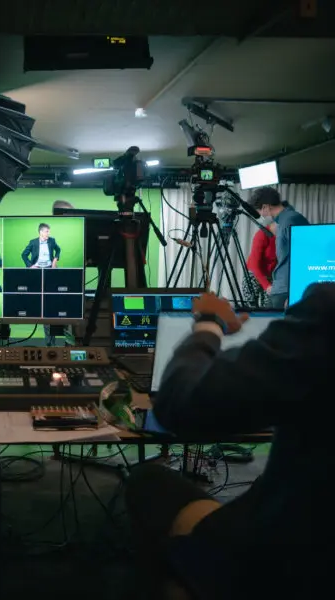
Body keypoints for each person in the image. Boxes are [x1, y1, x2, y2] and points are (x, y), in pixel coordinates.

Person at [126, 287, 330, 600]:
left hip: (290, 560)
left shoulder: (327, 310)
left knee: (148, 482)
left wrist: (209, 323)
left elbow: (183, 404)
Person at [250, 187, 309, 309]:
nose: (261, 216)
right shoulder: (285, 219)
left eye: (260, 211)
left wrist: (294, 294)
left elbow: (305, 256)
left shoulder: (290, 220)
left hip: (286, 289)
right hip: (282, 287)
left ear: (265, 207)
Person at [244, 222, 277, 307]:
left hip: (270, 275)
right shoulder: (262, 235)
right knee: (251, 306)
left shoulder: (283, 236)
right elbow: (254, 266)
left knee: (268, 307)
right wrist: (266, 286)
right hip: (254, 274)